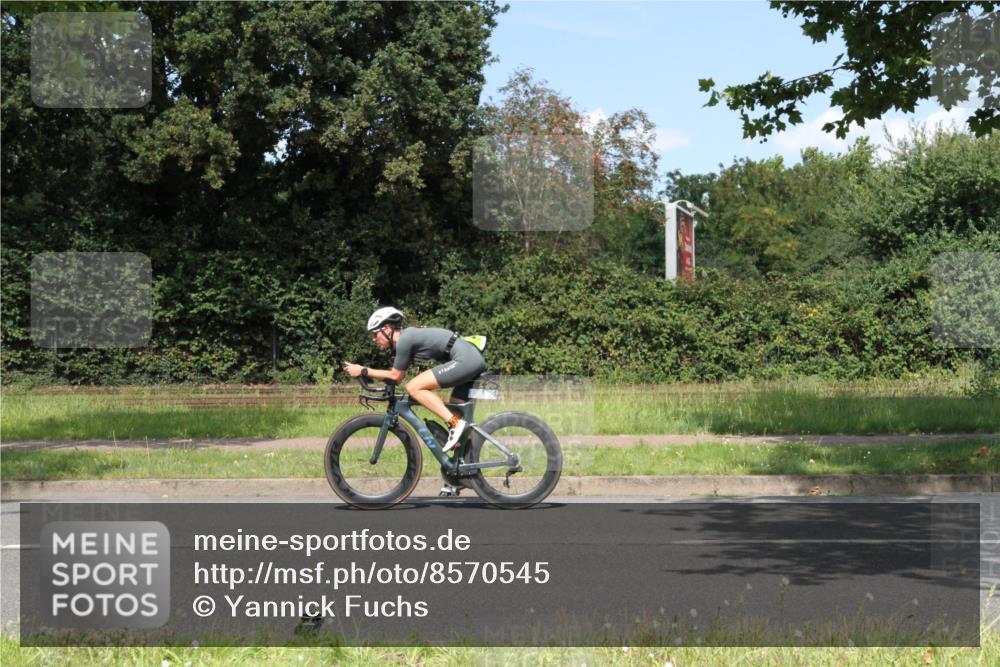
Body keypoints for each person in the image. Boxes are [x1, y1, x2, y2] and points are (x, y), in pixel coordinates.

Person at [342, 307, 486, 452]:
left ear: (387, 329)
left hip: (466, 359)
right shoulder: (407, 337)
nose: (373, 339)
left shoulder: (404, 340)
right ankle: (465, 461)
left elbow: (395, 376)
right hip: (469, 357)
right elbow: (395, 378)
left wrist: (363, 370)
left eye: (375, 334)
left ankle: (455, 424)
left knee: (413, 387)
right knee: (455, 407)